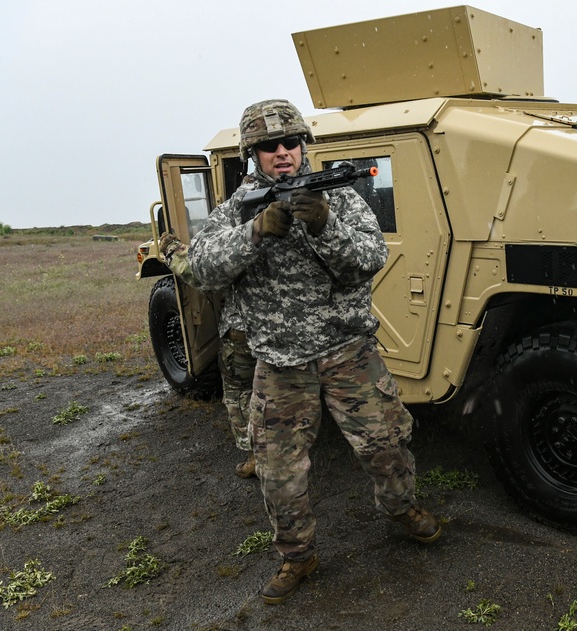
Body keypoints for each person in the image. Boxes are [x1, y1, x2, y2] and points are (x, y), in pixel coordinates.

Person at [188, 99, 440, 605]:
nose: (282, 153)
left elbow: (370, 257)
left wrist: (326, 225)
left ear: (304, 145)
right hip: (280, 363)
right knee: (279, 471)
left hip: (347, 349)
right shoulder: (236, 210)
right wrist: (254, 234)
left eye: (290, 142)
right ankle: (298, 556)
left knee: (386, 446)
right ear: (251, 153)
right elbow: (202, 270)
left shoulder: (338, 196)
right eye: (268, 146)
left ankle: (400, 509)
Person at [157, 233, 258, 479]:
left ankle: (257, 457)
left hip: (245, 332)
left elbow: (204, 273)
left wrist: (172, 250)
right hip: (295, 334)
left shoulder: (242, 234)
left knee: (240, 391)